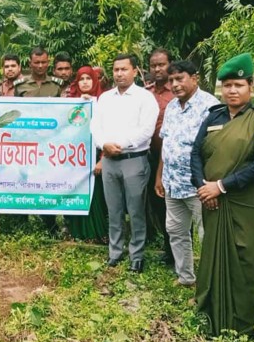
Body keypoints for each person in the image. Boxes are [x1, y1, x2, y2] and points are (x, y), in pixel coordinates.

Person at [190, 52, 254, 337]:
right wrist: (203, 187)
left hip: (248, 203)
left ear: (250, 87)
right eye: (227, 86)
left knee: (247, 257)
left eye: (239, 85)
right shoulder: (213, 116)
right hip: (211, 200)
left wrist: (220, 187)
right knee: (212, 250)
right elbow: (196, 152)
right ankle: (211, 305)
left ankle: (243, 318)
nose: (232, 90)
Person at [90, 54, 158, 273]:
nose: (119, 73)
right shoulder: (105, 98)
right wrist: (104, 144)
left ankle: (136, 255)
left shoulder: (145, 98)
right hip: (110, 161)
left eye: (124, 69)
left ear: (135, 71)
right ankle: (115, 252)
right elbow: (95, 126)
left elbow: (147, 130)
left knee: (136, 210)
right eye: (116, 69)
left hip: (134, 160)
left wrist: (120, 144)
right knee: (114, 209)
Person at [156, 60, 218, 288]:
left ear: (195, 78)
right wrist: (159, 176)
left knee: (206, 234)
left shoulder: (210, 106)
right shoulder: (172, 107)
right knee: (176, 231)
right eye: (171, 80)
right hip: (172, 183)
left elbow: (217, 150)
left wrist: (210, 185)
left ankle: (210, 281)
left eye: (180, 78)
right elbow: (167, 143)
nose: (174, 84)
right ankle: (186, 277)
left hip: (198, 186)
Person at [14, 47, 66, 235]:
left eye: (44, 62)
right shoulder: (20, 86)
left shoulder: (56, 85)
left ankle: (50, 224)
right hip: (25, 142)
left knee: (46, 181)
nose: (40, 66)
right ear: (30, 63)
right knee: (23, 180)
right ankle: (21, 222)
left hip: (48, 143)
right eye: (37, 63)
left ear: (48, 62)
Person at [65, 66, 108, 242]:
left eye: (88, 78)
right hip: (73, 158)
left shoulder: (104, 102)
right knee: (75, 192)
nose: (84, 82)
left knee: (95, 196)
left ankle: (97, 233)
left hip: (95, 156)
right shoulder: (69, 101)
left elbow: (109, 130)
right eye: (81, 79)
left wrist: (103, 159)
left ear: (95, 80)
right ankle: (76, 232)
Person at [145, 48, 175, 266]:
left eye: (161, 64)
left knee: (173, 205)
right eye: (153, 65)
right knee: (157, 203)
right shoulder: (144, 94)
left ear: (169, 65)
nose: (157, 69)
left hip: (172, 159)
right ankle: (165, 246)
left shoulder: (177, 92)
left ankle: (176, 252)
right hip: (149, 156)